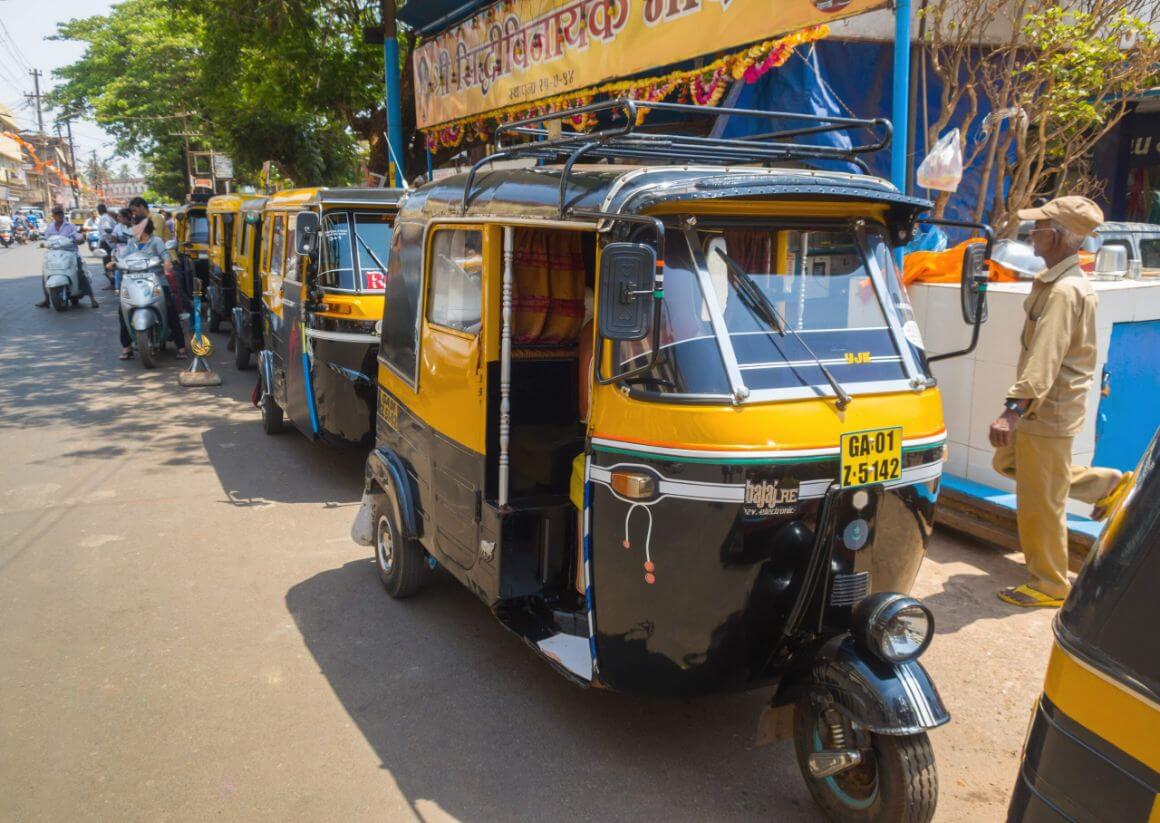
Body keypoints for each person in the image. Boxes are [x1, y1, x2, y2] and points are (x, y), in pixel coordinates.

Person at [989, 196, 1134, 608]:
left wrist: (1012, 409)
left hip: (1046, 409)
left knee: (1040, 500)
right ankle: (1107, 484)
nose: (1032, 233)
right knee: (1010, 464)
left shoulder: (1065, 291)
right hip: (1048, 406)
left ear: (1055, 236)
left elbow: (1046, 355)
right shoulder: (1057, 281)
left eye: (1038, 228)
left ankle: (1049, 583)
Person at [117, 216, 186, 360]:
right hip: (133, 281)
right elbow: (123, 256)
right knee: (122, 309)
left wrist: (167, 262)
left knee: (169, 308)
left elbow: (165, 254)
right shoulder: (131, 242)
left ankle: (181, 347)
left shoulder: (156, 241)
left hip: (155, 280)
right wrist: (114, 261)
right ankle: (127, 347)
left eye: (136, 226)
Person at [36, 205, 98, 308]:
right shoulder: (50, 227)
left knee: (80, 272)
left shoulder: (70, 226)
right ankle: (46, 300)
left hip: (70, 253)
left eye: (61, 213)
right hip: (54, 254)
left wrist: (79, 239)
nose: (59, 216)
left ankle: (93, 299)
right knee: (45, 273)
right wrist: (43, 242)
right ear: (53, 216)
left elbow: (77, 235)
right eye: (57, 214)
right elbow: (45, 238)